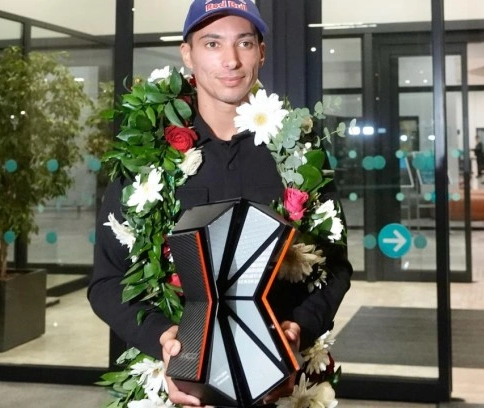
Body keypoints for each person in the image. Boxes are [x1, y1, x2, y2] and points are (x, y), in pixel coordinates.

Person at [88, 1, 353, 406]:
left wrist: (299, 329)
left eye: (244, 43)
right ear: (187, 53)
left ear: (261, 52)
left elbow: (335, 267)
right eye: (212, 43)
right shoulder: (146, 156)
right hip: (178, 387)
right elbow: (107, 281)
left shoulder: (299, 152)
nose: (231, 60)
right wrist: (163, 340)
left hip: (281, 383)